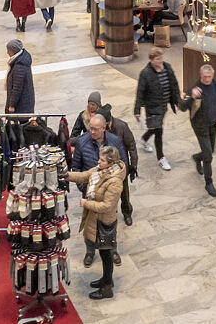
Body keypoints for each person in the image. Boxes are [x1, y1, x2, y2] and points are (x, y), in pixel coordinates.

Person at [66, 144, 125, 300]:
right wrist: (65, 175)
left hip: (104, 222)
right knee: (103, 252)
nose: (98, 162)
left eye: (102, 160)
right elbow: (85, 175)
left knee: (106, 254)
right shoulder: (101, 171)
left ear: (111, 163)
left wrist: (86, 203)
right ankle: (106, 280)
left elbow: (107, 206)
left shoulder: (114, 182)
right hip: (96, 220)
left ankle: (107, 288)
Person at [70, 113, 128, 267]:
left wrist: (113, 186)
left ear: (104, 128)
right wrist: (84, 187)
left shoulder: (114, 141)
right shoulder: (82, 142)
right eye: (90, 129)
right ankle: (90, 251)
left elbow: (122, 163)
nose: (92, 132)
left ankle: (112, 250)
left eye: (96, 129)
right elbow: (77, 168)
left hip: (108, 192)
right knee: (90, 225)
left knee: (108, 223)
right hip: (89, 192)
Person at [179, 64, 216, 198]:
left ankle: (197, 157)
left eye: (209, 77)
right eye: (205, 77)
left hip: (213, 124)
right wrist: (192, 96)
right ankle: (209, 183)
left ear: (212, 76)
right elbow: (182, 107)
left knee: (211, 150)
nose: (207, 79)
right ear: (200, 76)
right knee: (208, 155)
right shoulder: (194, 89)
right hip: (200, 126)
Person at [133, 48, 181, 171]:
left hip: (163, 105)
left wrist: (178, 101)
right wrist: (137, 110)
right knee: (159, 131)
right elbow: (140, 92)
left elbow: (174, 85)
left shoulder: (167, 68)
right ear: (151, 60)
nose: (160, 61)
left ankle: (144, 139)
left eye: (161, 58)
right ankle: (161, 158)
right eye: (157, 59)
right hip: (152, 107)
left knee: (155, 127)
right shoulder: (145, 73)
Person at [102, 106, 138, 227]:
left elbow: (132, 146)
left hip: (121, 167)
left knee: (124, 192)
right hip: (106, 167)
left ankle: (127, 212)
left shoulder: (121, 126)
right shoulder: (101, 129)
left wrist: (133, 165)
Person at [4, 39, 35, 114]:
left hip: (21, 104)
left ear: (14, 51)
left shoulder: (19, 67)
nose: (7, 52)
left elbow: (17, 88)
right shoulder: (21, 60)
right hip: (24, 101)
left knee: (20, 124)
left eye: (8, 50)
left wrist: (12, 105)